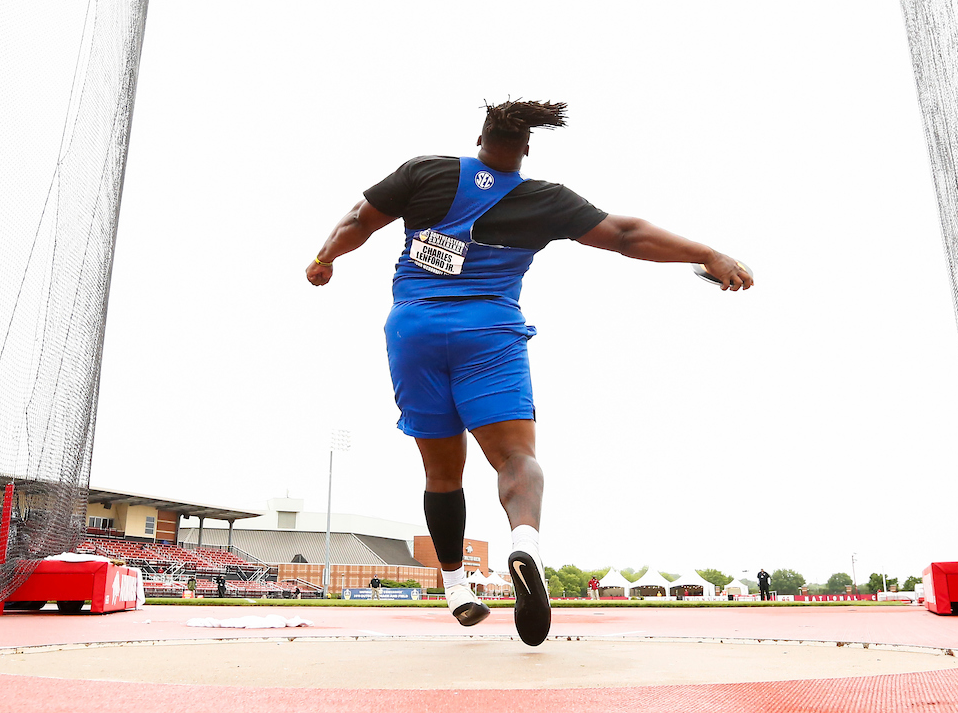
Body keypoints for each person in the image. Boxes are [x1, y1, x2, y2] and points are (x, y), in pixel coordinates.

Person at [306, 100, 754, 646]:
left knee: (442, 473)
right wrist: (709, 253)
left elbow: (358, 220)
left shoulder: (424, 171)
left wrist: (325, 257)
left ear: (479, 137)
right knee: (516, 458)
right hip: (489, 333)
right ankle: (525, 542)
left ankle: (455, 589)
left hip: (414, 334)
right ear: (526, 148)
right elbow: (626, 234)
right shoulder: (544, 199)